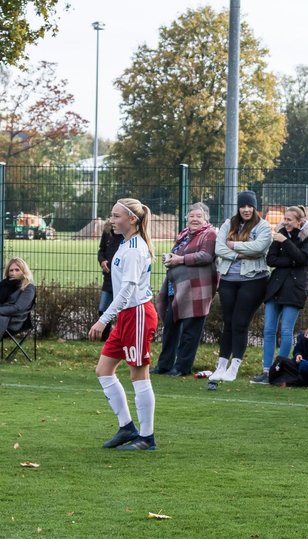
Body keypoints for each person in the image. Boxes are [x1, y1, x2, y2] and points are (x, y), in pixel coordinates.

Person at [88, 198, 159, 451]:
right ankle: (127, 427)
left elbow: (128, 291)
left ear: (132, 219)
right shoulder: (125, 243)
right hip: (127, 316)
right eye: (112, 215)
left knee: (139, 375)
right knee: (103, 370)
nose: (112, 220)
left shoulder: (134, 249)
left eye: (116, 216)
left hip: (138, 314)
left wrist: (102, 320)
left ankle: (147, 438)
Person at [208, 190, 272, 382]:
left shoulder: (263, 226)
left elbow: (259, 247)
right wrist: (239, 254)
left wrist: (233, 246)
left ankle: (234, 367)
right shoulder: (229, 224)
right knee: (228, 322)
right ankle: (220, 366)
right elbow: (218, 248)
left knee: (240, 323)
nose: (246, 210)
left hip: (253, 280)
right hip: (228, 279)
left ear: (255, 207)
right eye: (242, 206)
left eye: (249, 206)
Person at [253, 205, 308, 384]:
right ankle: (267, 371)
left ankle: (279, 370)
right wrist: (291, 261)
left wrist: (285, 242)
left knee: (286, 330)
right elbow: (271, 260)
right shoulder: (280, 232)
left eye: (289, 220)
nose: (285, 222)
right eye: (285, 219)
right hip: (275, 287)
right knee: (268, 330)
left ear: (300, 221)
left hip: (295, 289)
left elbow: (304, 259)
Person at [154, 203, 217, 377]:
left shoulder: (209, 234)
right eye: (192, 216)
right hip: (176, 288)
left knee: (190, 332)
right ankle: (164, 365)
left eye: (199, 216)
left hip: (196, 291)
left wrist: (179, 260)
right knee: (170, 328)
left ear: (206, 219)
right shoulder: (183, 234)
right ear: (187, 218)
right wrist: (170, 258)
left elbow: (206, 256)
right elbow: (178, 256)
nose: (195, 219)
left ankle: (182, 368)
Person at [97, 219, 120, 314]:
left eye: (117, 216)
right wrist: (102, 260)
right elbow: (101, 250)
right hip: (108, 279)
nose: (113, 218)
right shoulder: (108, 231)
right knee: (102, 312)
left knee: (122, 314)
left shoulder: (128, 236)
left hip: (121, 281)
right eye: (113, 215)